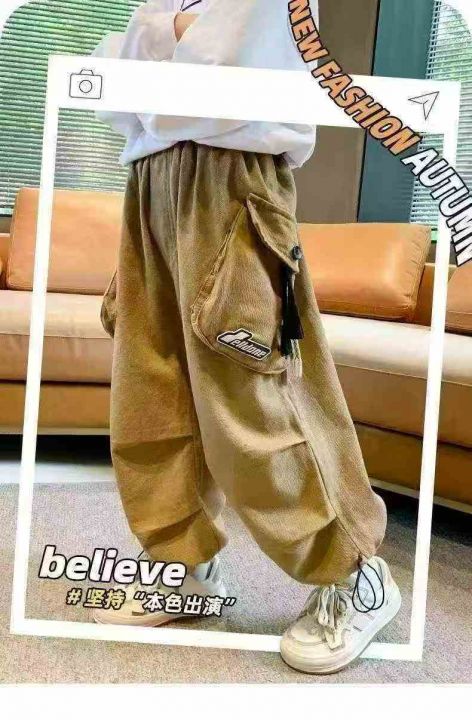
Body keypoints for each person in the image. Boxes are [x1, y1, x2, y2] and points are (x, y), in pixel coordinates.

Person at [91, 0, 401, 674]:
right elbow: (120, 99)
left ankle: (354, 576)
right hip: (150, 184)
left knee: (255, 398)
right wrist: (163, 38)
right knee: (152, 392)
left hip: (234, 182)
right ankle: (184, 565)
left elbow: (221, 73)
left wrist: (156, 45)